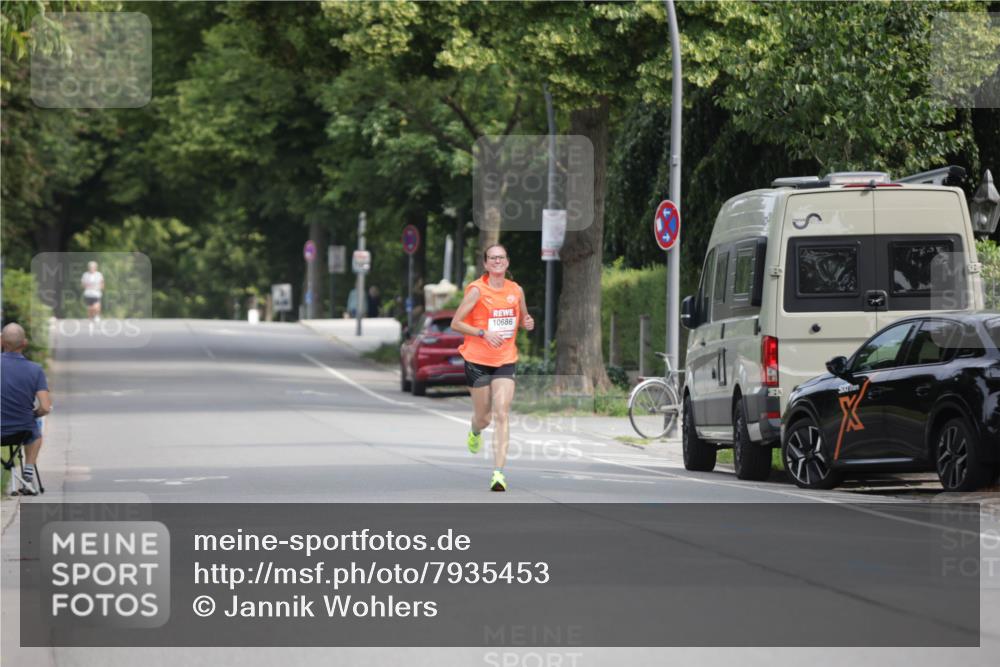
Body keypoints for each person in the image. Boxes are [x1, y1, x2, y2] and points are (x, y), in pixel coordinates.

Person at [450, 244, 534, 491]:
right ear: (486, 264)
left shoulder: (516, 290)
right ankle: (475, 430)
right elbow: (456, 323)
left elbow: (522, 319)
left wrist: (527, 322)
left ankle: (498, 474)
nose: (497, 261)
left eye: (501, 257)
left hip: (505, 359)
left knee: (502, 414)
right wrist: (482, 333)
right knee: (484, 418)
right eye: (492, 258)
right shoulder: (477, 290)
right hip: (477, 360)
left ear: (507, 262)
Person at [1, 323, 52, 495]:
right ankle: (28, 470)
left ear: (1, 342)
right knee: (35, 432)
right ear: (25, 343)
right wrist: (34, 414)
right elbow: (45, 407)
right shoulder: (35, 370)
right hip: (22, 432)